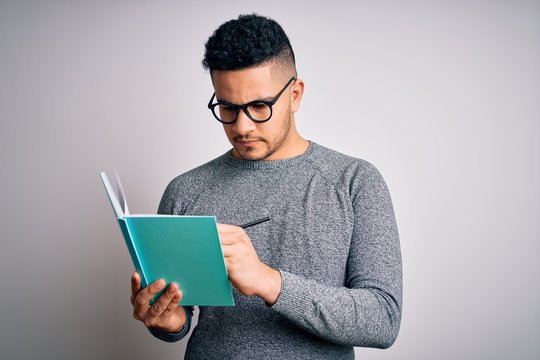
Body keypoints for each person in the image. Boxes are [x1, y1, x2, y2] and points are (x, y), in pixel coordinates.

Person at [129, 14, 402, 359]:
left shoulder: (355, 182)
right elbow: (182, 320)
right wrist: (167, 320)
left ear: (295, 95)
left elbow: (383, 319)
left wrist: (268, 281)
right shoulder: (185, 191)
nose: (242, 126)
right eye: (227, 107)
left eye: (259, 106)